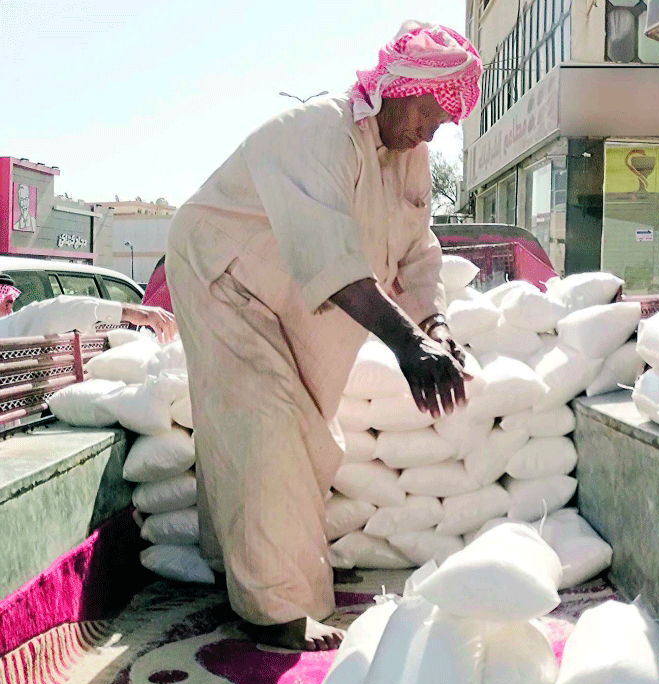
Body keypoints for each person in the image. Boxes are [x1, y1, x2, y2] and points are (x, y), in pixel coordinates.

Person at [165, 20, 481, 651]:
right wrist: (407, 345)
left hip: (282, 291)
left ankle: (241, 568)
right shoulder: (320, 132)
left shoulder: (408, 158)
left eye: (447, 120)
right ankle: (271, 611)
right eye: (430, 110)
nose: (434, 129)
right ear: (399, 87)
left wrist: (435, 325)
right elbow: (330, 260)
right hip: (224, 274)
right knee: (267, 425)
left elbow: (418, 250)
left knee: (305, 431)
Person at [0, 272, 176, 342]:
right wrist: (130, 312)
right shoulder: (7, 328)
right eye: (6, 304)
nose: (10, 312)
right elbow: (49, 313)